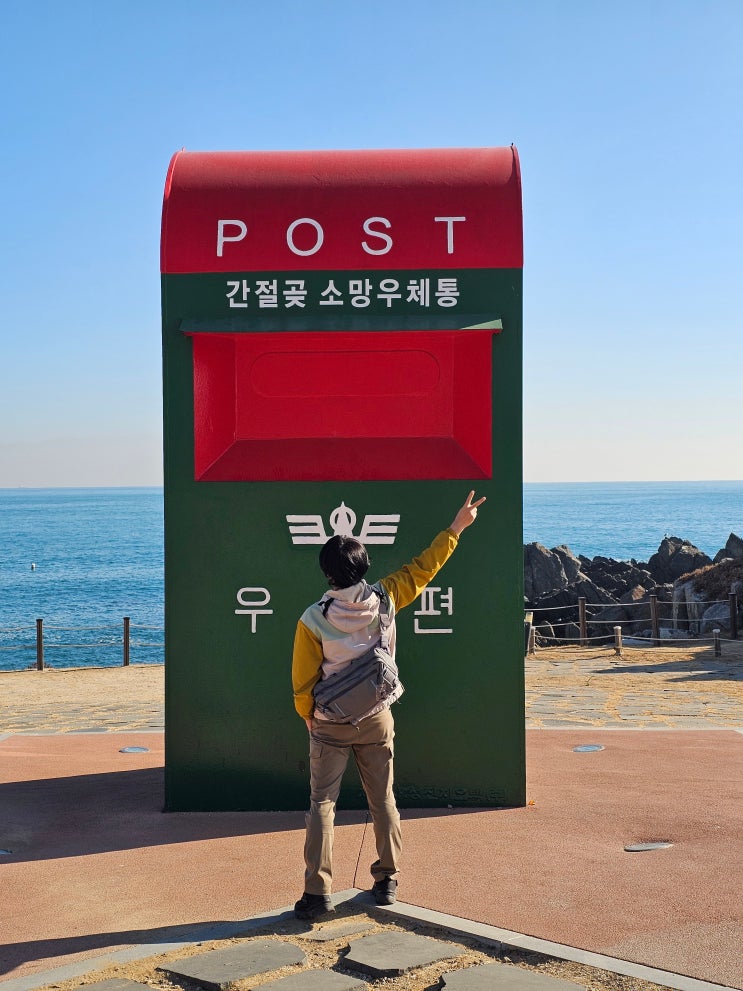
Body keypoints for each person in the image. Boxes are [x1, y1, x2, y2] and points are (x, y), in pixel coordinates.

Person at [291, 490, 485, 920]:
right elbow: (425, 567)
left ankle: (317, 893)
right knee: (383, 800)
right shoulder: (388, 597)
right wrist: (456, 527)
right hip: (378, 717)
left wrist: (307, 714)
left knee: (322, 804)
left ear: (327, 572)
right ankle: (387, 880)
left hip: (329, 722)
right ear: (363, 566)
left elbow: (303, 679)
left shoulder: (312, 618)